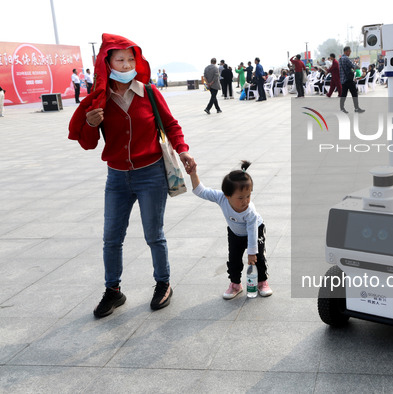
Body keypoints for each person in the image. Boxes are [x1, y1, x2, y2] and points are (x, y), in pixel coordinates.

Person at [67, 33, 196, 317]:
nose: (126, 66)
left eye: (130, 60)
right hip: (117, 178)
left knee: (154, 234)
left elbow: (172, 125)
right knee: (111, 237)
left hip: (151, 175)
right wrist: (90, 123)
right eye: (120, 60)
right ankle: (113, 291)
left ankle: (163, 284)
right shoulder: (99, 100)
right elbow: (88, 143)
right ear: (107, 63)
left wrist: (183, 150)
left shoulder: (149, 92)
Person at [189, 161, 272, 299]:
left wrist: (252, 253)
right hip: (235, 233)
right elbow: (201, 191)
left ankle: (262, 282)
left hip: (255, 230)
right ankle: (235, 284)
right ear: (227, 195)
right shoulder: (221, 197)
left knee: (259, 258)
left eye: (248, 196)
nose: (245, 201)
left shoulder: (250, 211)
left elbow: (252, 232)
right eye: (240, 198)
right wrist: (193, 174)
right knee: (234, 259)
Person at [339, 46, 364, 113]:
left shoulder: (340, 59)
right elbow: (354, 67)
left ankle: (342, 108)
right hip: (348, 79)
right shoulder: (346, 58)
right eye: (349, 51)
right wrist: (357, 65)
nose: (350, 53)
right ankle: (356, 108)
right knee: (354, 93)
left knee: (343, 94)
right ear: (346, 51)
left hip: (343, 80)